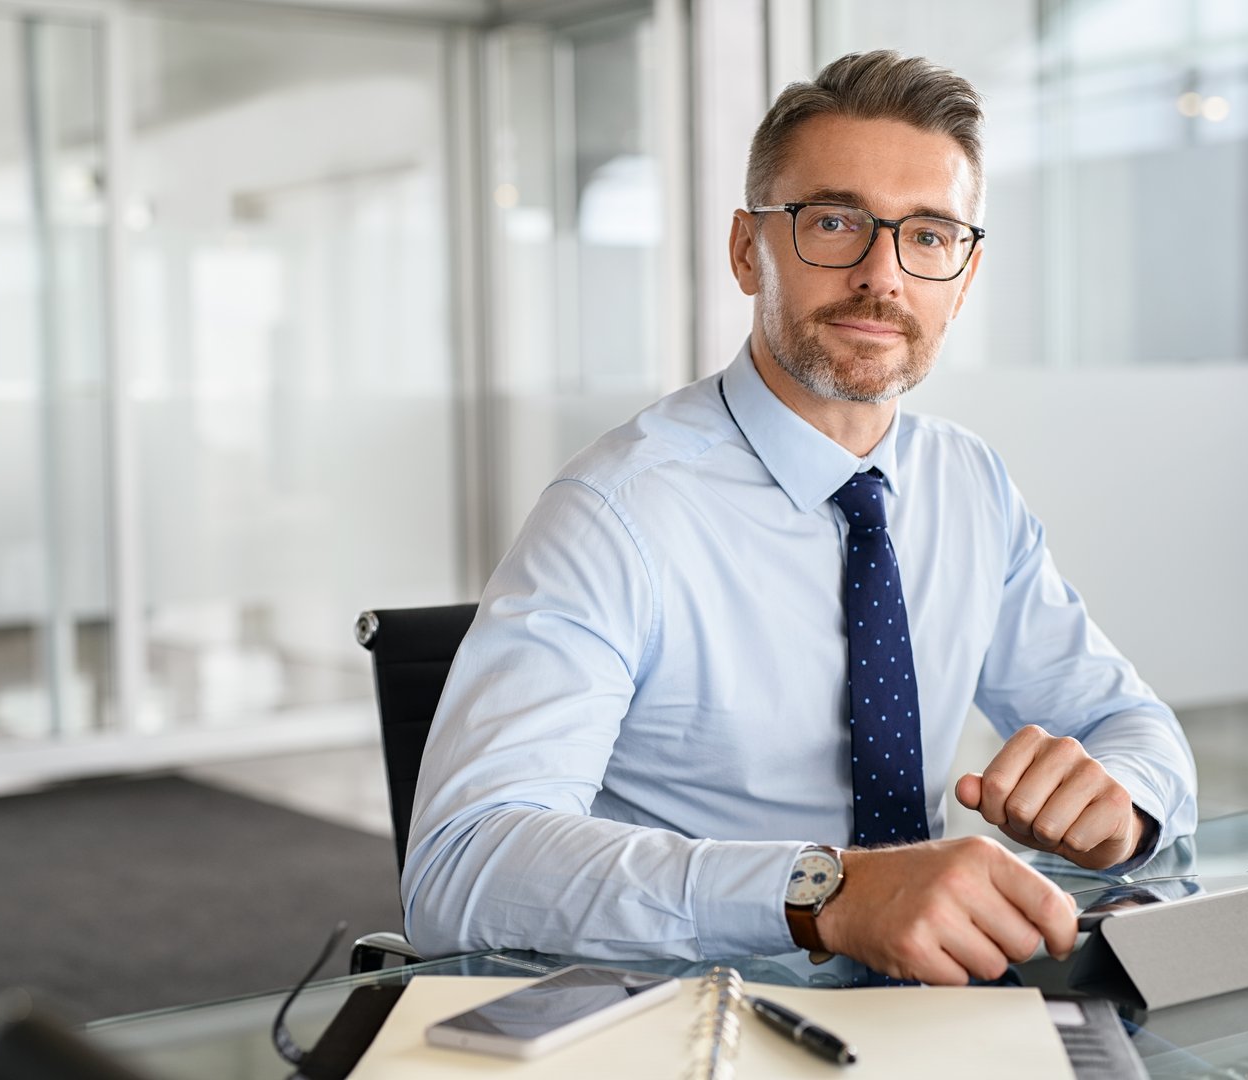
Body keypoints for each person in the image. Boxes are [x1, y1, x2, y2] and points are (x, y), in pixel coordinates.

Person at [401, 49, 1197, 985]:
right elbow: (462, 869)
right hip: (711, 1025)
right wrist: (825, 893)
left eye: (930, 236)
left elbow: (1132, 726)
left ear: (964, 276)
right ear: (749, 250)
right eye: (833, 222)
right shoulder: (618, 512)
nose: (882, 275)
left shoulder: (968, 483)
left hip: (941, 1011)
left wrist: (1123, 803)